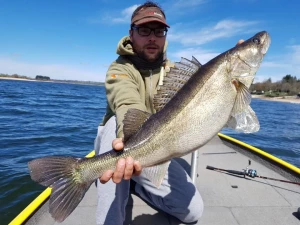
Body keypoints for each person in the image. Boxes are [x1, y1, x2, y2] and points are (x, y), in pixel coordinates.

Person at [94, 1, 204, 225]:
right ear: (131, 34)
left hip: (155, 148)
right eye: (144, 30)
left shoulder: (175, 73)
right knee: (113, 123)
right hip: (122, 146)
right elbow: (127, 104)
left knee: (193, 212)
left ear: (165, 35)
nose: (152, 37)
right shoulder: (119, 68)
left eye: (159, 31)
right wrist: (127, 138)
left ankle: (137, 185)